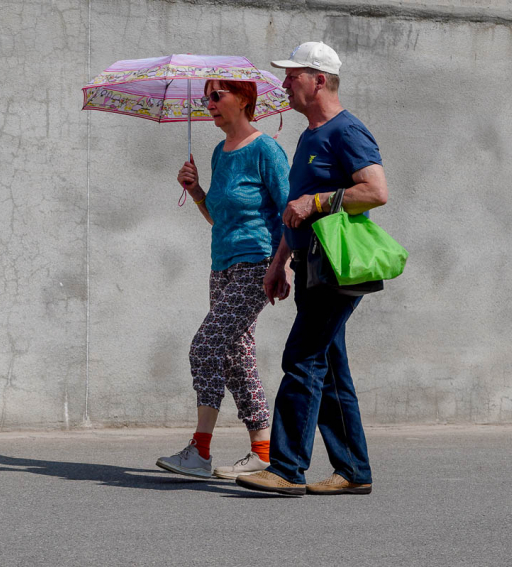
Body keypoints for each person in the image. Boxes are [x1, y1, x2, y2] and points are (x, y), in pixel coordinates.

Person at [235, 42, 389, 496]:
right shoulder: (309, 136)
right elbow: (294, 209)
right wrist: (279, 262)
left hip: (337, 267)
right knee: (330, 368)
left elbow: (376, 191)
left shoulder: (347, 131)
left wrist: (318, 201)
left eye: (292, 75)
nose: (284, 83)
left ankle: (286, 468)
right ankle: (353, 470)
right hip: (309, 266)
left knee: (301, 359)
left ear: (319, 80)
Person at [155, 79, 290, 480]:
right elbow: (218, 216)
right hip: (222, 267)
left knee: (206, 345)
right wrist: (197, 190)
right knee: (236, 357)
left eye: (217, 96)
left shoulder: (266, 150)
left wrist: (283, 265)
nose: (208, 104)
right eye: (205, 98)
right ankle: (262, 452)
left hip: (257, 264)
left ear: (244, 98)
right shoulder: (219, 151)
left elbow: (289, 212)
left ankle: (200, 450)